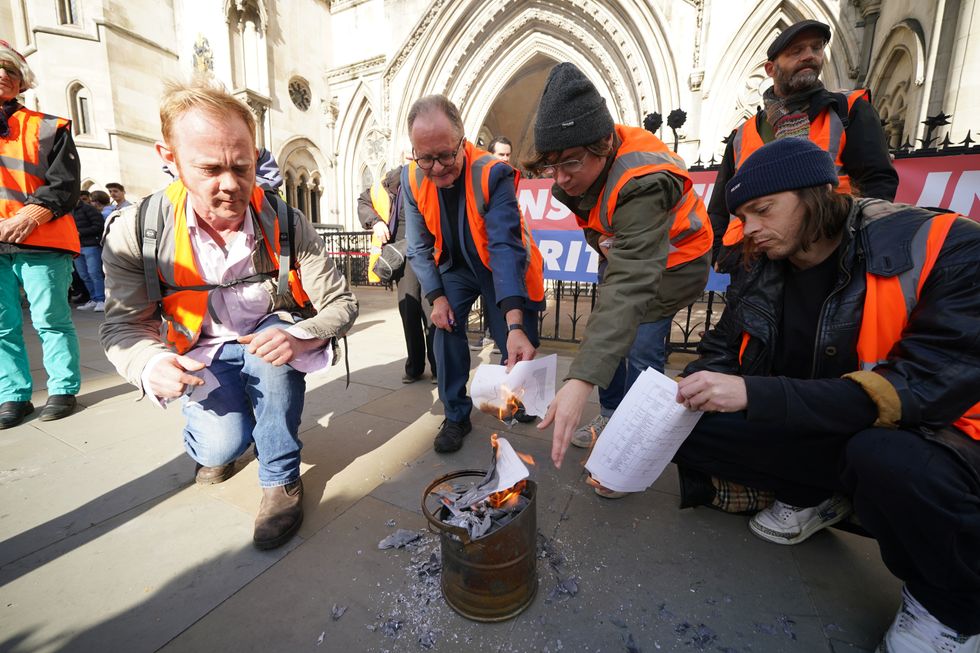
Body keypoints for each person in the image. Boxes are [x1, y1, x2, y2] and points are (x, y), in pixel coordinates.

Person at [670, 137, 980, 652]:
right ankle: (818, 494)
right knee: (684, 428)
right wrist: (695, 388)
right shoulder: (762, 263)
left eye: (762, 210)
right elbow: (721, 349)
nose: (749, 230)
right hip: (826, 426)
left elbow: (924, 388)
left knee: (885, 458)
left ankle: (954, 610)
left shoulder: (943, 244)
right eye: (741, 216)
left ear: (816, 194)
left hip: (938, 439)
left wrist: (752, 394)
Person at [100, 78, 358, 550]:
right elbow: (121, 325)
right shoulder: (136, 229)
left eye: (243, 167)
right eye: (210, 168)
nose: (231, 186)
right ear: (169, 157)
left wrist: (302, 335)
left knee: (274, 354)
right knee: (221, 446)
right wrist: (151, 365)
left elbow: (342, 302)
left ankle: (280, 479)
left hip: (266, 334)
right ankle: (222, 439)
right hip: (199, 354)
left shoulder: (284, 219)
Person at [531, 63, 712, 482]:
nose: (559, 178)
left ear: (605, 143)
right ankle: (612, 417)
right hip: (625, 254)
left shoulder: (642, 181)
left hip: (676, 262)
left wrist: (578, 382)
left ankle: (635, 450)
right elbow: (609, 240)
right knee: (607, 329)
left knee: (640, 344)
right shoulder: (579, 172)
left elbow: (632, 287)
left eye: (570, 163)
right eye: (550, 166)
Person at [403, 95, 545, 453]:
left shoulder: (493, 172)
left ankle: (520, 395)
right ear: (414, 151)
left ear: (463, 140)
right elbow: (418, 246)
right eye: (426, 158)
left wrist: (513, 325)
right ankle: (456, 415)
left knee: (516, 339)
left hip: (498, 265)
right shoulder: (410, 179)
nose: (436, 168)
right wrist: (436, 298)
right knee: (444, 326)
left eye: (446, 155)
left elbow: (504, 248)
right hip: (455, 268)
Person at [708, 19, 898, 275]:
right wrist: (717, 255)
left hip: (827, 253)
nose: (809, 56)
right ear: (770, 68)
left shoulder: (848, 110)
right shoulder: (742, 133)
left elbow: (877, 184)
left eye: (816, 48)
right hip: (752, 258)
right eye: (796, 51)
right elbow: (720, 206)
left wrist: (854, 246)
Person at [0, 39, 83, 429]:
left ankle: (63, 388)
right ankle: (13, 395)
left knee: (51, 319)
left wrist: (29, 216)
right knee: (2, 325)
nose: (2, 75)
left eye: (10, 70)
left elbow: (64, 184)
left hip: (42, 240)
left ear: (22, 82)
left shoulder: (49, 127)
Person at [358, 166, 437, 384]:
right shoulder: (392, 180)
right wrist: (376, 222)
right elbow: (364, 201)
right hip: (403, 254)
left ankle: (438, 366)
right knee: (409, 309)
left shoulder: (435, 175)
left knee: (432, 310)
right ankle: (415, 366)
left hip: (431, 251)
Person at [70, 196, 106, 312]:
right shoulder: (68, 211)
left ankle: (102, 300)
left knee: (94, 273)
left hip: (91, 246)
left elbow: (99, 226)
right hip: (77, 246)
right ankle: (94, 299)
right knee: (84, 275)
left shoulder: (89, 209)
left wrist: (80, 233)